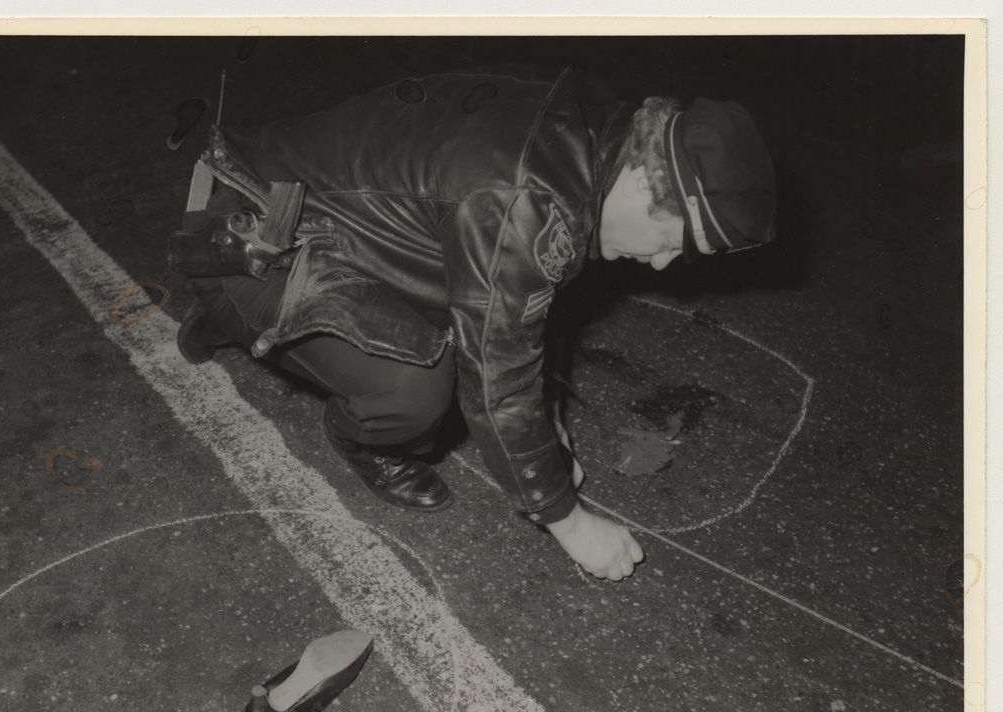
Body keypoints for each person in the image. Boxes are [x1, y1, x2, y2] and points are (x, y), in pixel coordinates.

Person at [168, 66, 776, 582]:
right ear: (647, 177)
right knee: (421, 386)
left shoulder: (596, 131)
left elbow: (533, 303)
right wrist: (566, 517)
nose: (665, 261)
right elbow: (498, 380)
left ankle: (226, 317)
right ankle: (334, 414)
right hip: (249, 235)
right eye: (672, 237)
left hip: (325, 225)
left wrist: (553, 433)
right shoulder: (529, 202)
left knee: (470, 322)